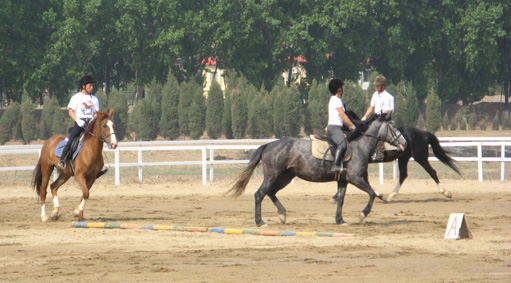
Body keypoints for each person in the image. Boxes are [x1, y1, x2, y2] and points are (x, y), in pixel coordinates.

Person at [56, 75, 100, 173]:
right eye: (90, 86)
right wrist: (78, 120)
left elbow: (96, 113)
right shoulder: (76, 97)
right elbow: (70, 112)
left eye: (92, 86)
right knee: (71, 141)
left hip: (91, 124)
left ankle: (97, 166)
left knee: (98, 141)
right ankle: (62, 161)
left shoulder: (95, 99)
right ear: (83, 86)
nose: (92, 88)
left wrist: (93, 119)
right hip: (80, 123)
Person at [361, 75, 394, 161]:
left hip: (385, 119)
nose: (375, 87)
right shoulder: (375, 95)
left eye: (377, 85)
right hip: (375, 118)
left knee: (377, 131)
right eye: (375, 85)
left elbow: (386, 112)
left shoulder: (388, 97)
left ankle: (380, 153)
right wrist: (364, 117)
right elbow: (371, 107)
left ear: (383, 86)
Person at [327, 79, 356, 172]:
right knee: (342, 144)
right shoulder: (336, 100)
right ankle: (335, 165)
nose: (343, 88)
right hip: (335, 128)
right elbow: (343, 115)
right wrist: (353, 126)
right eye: (341, 87)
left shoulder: (334, 99)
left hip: (336, 127)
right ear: (339, 88)